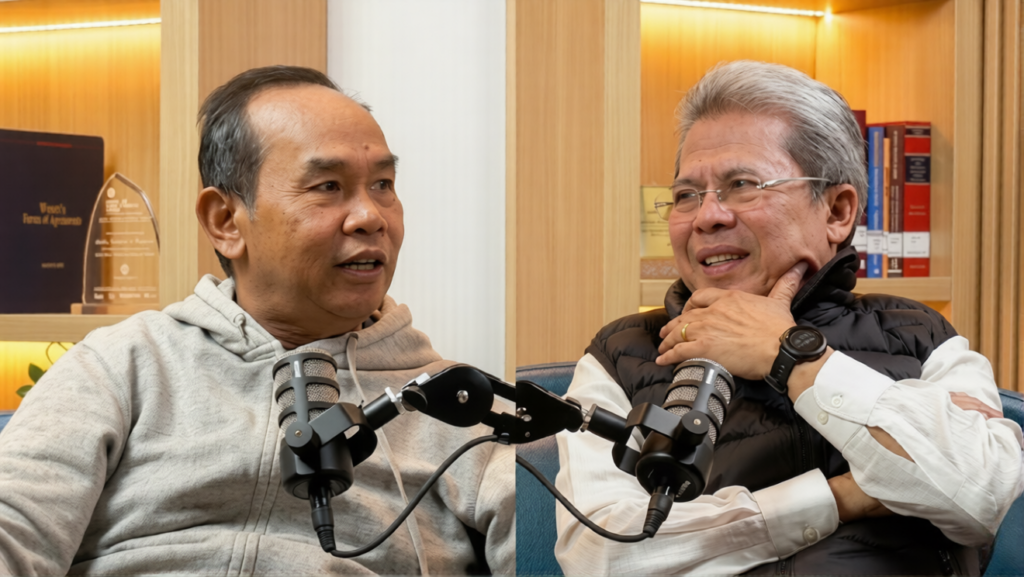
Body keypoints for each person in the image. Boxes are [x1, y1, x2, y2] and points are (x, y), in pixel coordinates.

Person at [0, 66, 514, 576]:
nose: (371, 217)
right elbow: (12, 529)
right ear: (226, 221)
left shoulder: (460, 405)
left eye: (383, 184)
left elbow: (539, 548)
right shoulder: (120, 365)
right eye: (328, 186)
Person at [554, 61, 1024, 575]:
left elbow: (983, 498)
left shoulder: (921, 334)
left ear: (837, 212)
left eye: (742, 184)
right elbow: (598, 553)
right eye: (687, 195)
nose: (707, 216)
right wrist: (839, 497)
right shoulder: (621, 354)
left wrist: (791, 356)